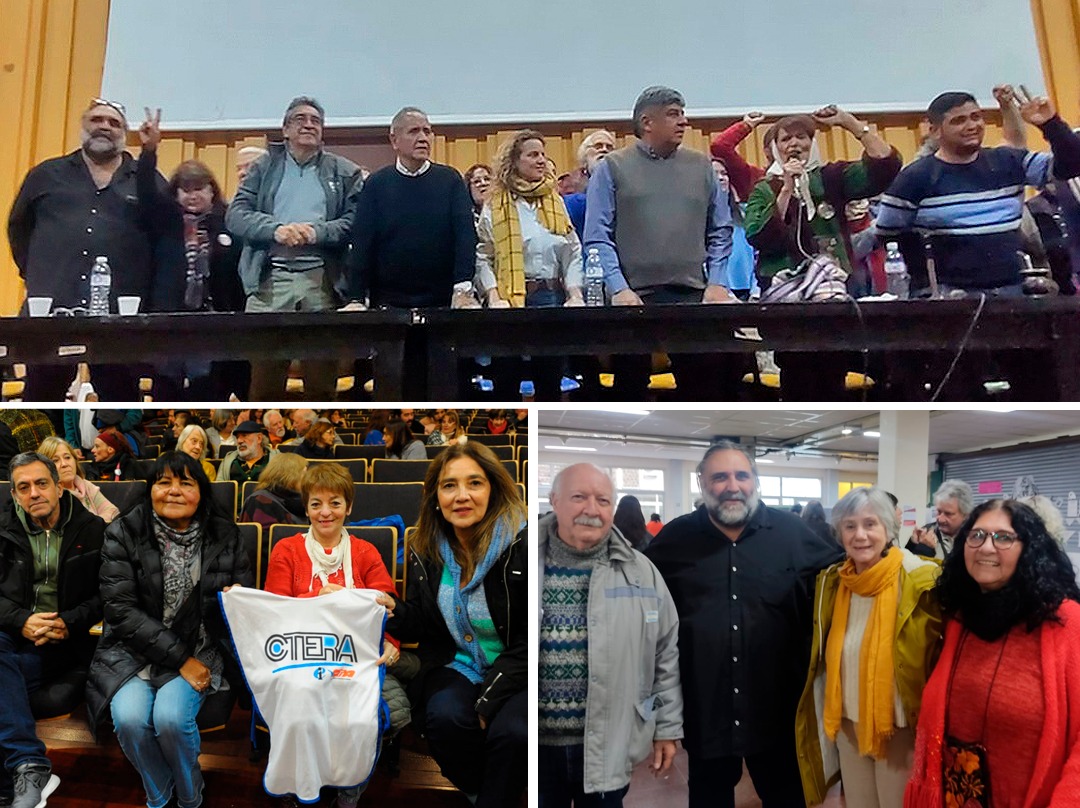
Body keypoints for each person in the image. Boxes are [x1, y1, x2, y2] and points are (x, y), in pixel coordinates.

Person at [645, 440, 844, 808]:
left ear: (755, 481)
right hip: (706, 709)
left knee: (786, 799)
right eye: (720, 477)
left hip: (777, 711)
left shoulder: (793, 534)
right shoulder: (673, 541)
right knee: (708, 800)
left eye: (742, 476)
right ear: (702, 483)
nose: (732, 486)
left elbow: (847, 580)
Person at [86, 452, 253, 808]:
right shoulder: (123, 532)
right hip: (133, 651)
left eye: (185, 483)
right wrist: (180, 661)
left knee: (171, 719)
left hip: (200, 648)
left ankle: (190, 796)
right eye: (164, 482)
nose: (173, 491)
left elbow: (242, 602)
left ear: (202, 493)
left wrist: (236, 599)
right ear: (150, 490)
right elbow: (121, 612)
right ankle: (160, 795)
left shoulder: (226, 535)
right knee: (129, 719)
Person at [905, 499, 1080, 807]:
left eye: (1003, 537)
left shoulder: (1065, 622)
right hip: (958, 794)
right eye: (976, 535)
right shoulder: (960, 618)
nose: (986, 547)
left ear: (1029, 549)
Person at [386, 442, 527, 807]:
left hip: (520, 668)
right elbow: (424, 625)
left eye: (474, 483)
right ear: (436, 497)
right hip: (457, 662)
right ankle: (484, 793)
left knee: (514, 732)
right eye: (449, 485)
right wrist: (393, 610)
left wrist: (488, 699)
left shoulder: (522, 546)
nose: (462, 495)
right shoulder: (426, 547)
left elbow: (532, 641)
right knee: (444, 719)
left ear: (493, 489)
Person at [262, 462, 409, 807]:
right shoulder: (287, 550)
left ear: (349, 507)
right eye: (316, 504)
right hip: (302, 657)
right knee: (302, 711)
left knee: (360, 717)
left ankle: (348, 792)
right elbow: (275, 611)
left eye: (335, 503)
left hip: (355, 658)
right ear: (306, 508)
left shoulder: (365, 552)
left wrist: (391, 644)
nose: (325, 512)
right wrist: (318, 597)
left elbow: (387, 607)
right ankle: (302, 785)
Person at [538, 463, 682, 805]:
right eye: (579, 497)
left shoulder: (642, 573)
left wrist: (666, 727)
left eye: (603, 500)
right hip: (536, 747)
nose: (592, 509)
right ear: (554, 500)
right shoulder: (524, 562)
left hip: (610, 746)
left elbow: (665, 655)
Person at [584, 86, 736, 398]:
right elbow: (597, 236)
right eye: (673, 114)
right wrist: (619, 288)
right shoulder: (612, 167)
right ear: (647, 122)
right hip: (633, 298)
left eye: (683, 113)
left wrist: (717, 282)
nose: (684, 121)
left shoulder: (702, 166)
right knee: (629, 391)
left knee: (702, 390)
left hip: (693, 296)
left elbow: (721, 230)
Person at [795, 488, 942, 808]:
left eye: (870, 524)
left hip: (899, 728)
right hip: (848, 723)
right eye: (850, 526)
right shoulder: (834, 582)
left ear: (889, 528)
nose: (860, 535)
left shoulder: (922, 579)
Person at [7, 99, 163, 400]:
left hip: (120, 317)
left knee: (121, 404)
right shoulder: (46, 174)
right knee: (38, 402)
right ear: (83, 126)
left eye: (114, 123)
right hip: (51, 312)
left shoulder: (146, 180)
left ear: (124, 133)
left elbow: (164, 238)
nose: (104, 126)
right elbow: (18, 228)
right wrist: (39, 274)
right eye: (97, 120)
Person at [225, 96, 363, 400]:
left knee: (322, 385)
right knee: (264, 385)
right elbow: (236, 215)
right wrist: (276, 230)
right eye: (301, 119)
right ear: (285, 129)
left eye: (316, 121)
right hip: (269, 282)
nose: (309, 125)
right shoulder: (263, 168)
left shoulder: (344, 172)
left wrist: (317, 232)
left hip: (322, 283)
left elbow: (355, 222)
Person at [878, 90, 1080, 295]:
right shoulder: (914, 178)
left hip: (1012, 294)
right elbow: (887, 234)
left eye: (976, 117)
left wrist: (1050, 124)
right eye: (959, 121)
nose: (972, 125)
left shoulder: (1009, 161)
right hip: (948, 298)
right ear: (935, 131)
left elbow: (1072, 165)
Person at [0, 452, 106, 808]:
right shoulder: (2, 529)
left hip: (65, 640)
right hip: (11, 635)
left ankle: (10, 785)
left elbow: (107, 595)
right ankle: (29, 765)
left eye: (41, 483)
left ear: (59, 488)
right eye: (23, 487)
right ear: (14, 494)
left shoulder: (93, 530)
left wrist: (68, 621)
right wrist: (21, 620)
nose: (34, 493)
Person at [474, 129, 585, 396]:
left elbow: (572, 251)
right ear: (514, 161)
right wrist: (493, 296)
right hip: (508, 302)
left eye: (543, 155)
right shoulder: (495, 204)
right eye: (533, 155)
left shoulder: (555, 201)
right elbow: (484, 256)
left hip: (550, 297)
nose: (541, 160)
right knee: (506, 381)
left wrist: (575, 293)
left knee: (550, 380)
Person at [344, 106, 477, 311]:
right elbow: (363, 243)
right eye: (414, 131)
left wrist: (462, 289)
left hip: (443, 302)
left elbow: (465, 238)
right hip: (387, 304)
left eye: (427, 131)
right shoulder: (376, 184)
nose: (423, 138)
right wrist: (356, 298)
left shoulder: (450, 180)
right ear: (394, 140)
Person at [38, 436, 120, 522]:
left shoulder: (85, 485)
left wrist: (96, 524)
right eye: (55, 460)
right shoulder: (52, 498)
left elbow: (112, 511)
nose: (64, 464)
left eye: (67, 457)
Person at [563, 129, 617, 236]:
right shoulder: (570, 190)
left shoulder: (624, 185)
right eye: (598, 146)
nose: (604, 150)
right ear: (585, 156)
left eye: (609, 147)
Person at [238, 452, 309, 530]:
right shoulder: (260, 500)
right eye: (304, 474)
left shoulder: (302, 500)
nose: (307, 479)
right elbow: (268, 536)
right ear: (291, 476)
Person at [907, 479, 973, 560]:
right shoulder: (924, 535)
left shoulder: (976, 538)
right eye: (938, 511)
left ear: (965, 514)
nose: (940, 519)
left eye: (948, 514)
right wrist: (914, 545)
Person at [464, 163, 493, 229]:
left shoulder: (503, 212)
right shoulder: (466, 217)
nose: (483, 183)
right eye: (477, 181)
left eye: (487, 179)